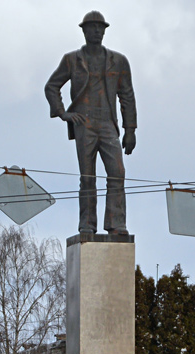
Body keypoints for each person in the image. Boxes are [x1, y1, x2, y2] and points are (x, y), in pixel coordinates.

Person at [44, 10, 136, 235]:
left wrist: (130, 130)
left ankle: (116, 224)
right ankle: (87, 225)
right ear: (83, 30)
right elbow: (51, 86)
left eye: (100, 27)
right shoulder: (72, 59)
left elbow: (127, 95)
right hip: (84, 123)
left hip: (107, 124)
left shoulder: (119, 60)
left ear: (105, 31)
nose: (96, 31)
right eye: (92, 27)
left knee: (117, 172)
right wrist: (63, 113)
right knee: (87, 177)